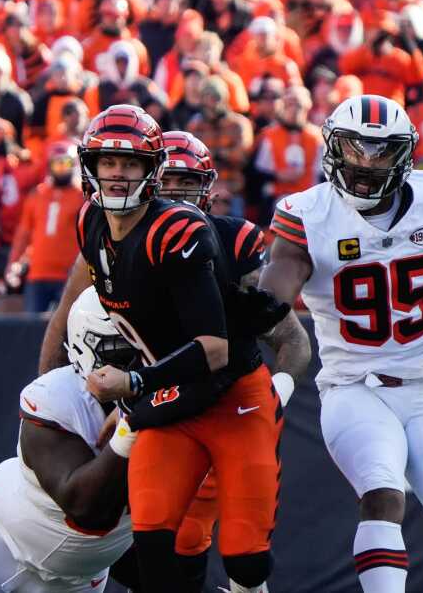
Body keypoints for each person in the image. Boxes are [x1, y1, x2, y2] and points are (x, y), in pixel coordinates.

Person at [36, 105, 284, 593]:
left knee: (246, 560)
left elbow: (213, 350)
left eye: (129, 165)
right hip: (169, 396)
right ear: (90, 165)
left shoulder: (178, 234)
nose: (117, 174)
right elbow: (69, 315)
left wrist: (131, 385)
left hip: (229, 393)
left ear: (152, 171)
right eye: (108, 162)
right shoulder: (89, 222)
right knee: (152, 545)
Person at [258, 94, 423, 593]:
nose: (365, 164)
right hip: (354, 386)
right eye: (355, 149)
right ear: (333, 148)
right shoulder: (307, 214)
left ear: (405, 155)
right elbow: (280, 281)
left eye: (380, 152)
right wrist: (262, 304)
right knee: (384, 495)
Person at [154, 130, 312, 591]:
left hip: (228, 413)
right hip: (157, 413)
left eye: (188, 181)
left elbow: (293, 341)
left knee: (241, 558)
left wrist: (275, 396)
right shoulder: (117, 241)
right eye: (169, 180)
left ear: (208, 188)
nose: (178, 193)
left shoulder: (227, 244)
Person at [0, 289, 138, 591]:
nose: (136, 365)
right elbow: (85, 507)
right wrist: (133, 424)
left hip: (78, 577)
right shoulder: (57, 397)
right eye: (122, 352)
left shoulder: (171, 398)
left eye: (144, 348)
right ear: (85, 348)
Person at [6, 142, 88, 313]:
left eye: (65, 164)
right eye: (57, 164)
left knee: (68, 328)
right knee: (33, 330)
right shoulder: (37, 195)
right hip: (38, 273)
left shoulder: (82, 197)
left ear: (74, 164)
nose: (61, 169)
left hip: (70, 275)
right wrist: (13, 262)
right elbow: (24, 235)